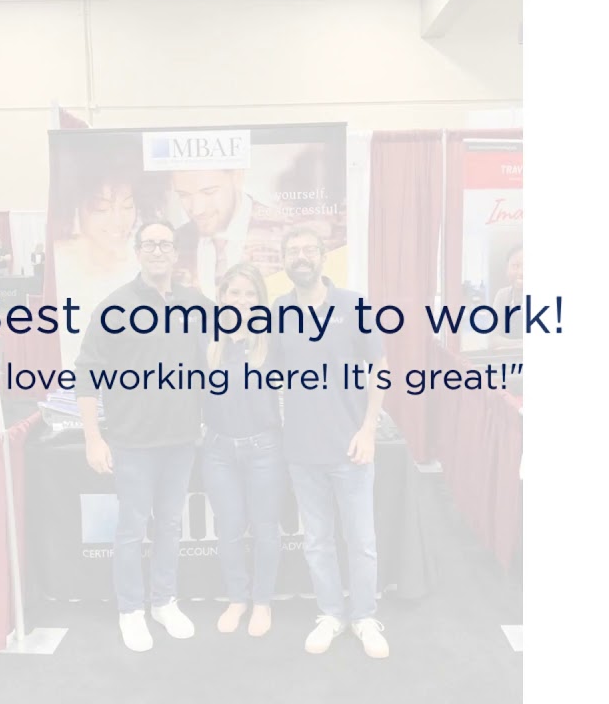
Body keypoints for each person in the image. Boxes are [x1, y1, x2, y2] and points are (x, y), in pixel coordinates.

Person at [73, 220, 209, 653]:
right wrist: (93, 438)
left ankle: (164, 602)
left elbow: (227, 342)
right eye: (149, 244)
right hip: (131, 443)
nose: (157, 250)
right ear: (137, 252)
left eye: (165, 244)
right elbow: (87, 374)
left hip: (181, 441)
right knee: (132, 529)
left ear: (175, 253)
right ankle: (130, 609)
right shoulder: (114, 307)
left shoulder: (194, 303)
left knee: (169, 525)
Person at [274, 226, 391, 659]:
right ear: (284, 260)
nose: (301, 256)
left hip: (351, 448)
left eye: (309, 249)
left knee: (360, 541)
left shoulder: (353, 305)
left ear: (323, 257)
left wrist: (368, 429)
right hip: (302, 452)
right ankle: (331, 614)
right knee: (317, 541)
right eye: (293, 250)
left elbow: (379, 366)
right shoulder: (277, 312)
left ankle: (363, 617)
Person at [201, 262, 284, 637]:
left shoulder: (272, 340)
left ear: (261, 300)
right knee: (230, 529)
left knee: (266, 529)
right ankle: (238, 599)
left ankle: (262, 602)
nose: (242, 300)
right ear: (222, 296)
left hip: (264, 449)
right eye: (235, 292)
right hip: (219, 451)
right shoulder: (209, 340)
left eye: (251, 294)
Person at [53, 168, 141, 367]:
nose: (118, 221)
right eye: (102, 208)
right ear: (77, 207)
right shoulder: (60, 263)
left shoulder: (141, 262)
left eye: (127, 206)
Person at [170, 169, 286, 298]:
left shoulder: (288, 232)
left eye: (209, 192)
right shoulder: (172, 243)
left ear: (237, 177)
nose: (197, 210)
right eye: (183, 195)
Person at [490, 244, 523, 348]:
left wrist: (507, 344)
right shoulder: (502, 295)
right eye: (515, 266)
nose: (521, 272)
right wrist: (521, 344)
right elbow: (492, 338)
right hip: (507, 357)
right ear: (507, 269)